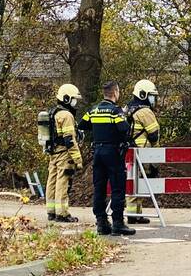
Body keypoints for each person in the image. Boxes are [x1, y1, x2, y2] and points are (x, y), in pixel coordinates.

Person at [80, 81, 135, 236]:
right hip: (113, 152)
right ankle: (118, 223)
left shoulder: (94, 110)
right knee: (117, 187)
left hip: (97, 152)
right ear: (115, 92)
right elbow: (124, 129)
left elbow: (82, 125)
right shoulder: (115, 111)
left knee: (99, 187)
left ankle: (101, 222)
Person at [45, 84, 84, 222]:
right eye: (74, 99)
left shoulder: (53, 112)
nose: (75, 102)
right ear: (67, 99)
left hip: (54, 153)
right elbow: (69, 140)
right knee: (63, 182)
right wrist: (78, 159)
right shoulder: (66, 115)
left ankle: (51, 211)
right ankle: (62, 213)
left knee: (52, 181)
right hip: (64, 154)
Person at [125, 79, 160, 224]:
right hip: (142, 152)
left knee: (132, 182)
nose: (153, 100)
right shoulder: (145, 111)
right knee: (138, 183)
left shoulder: (127, 108)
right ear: (143, 95)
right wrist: (155, 160)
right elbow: (154, 135)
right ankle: (134, 215)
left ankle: (135, 213)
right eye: (152, 96)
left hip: (128, 151)